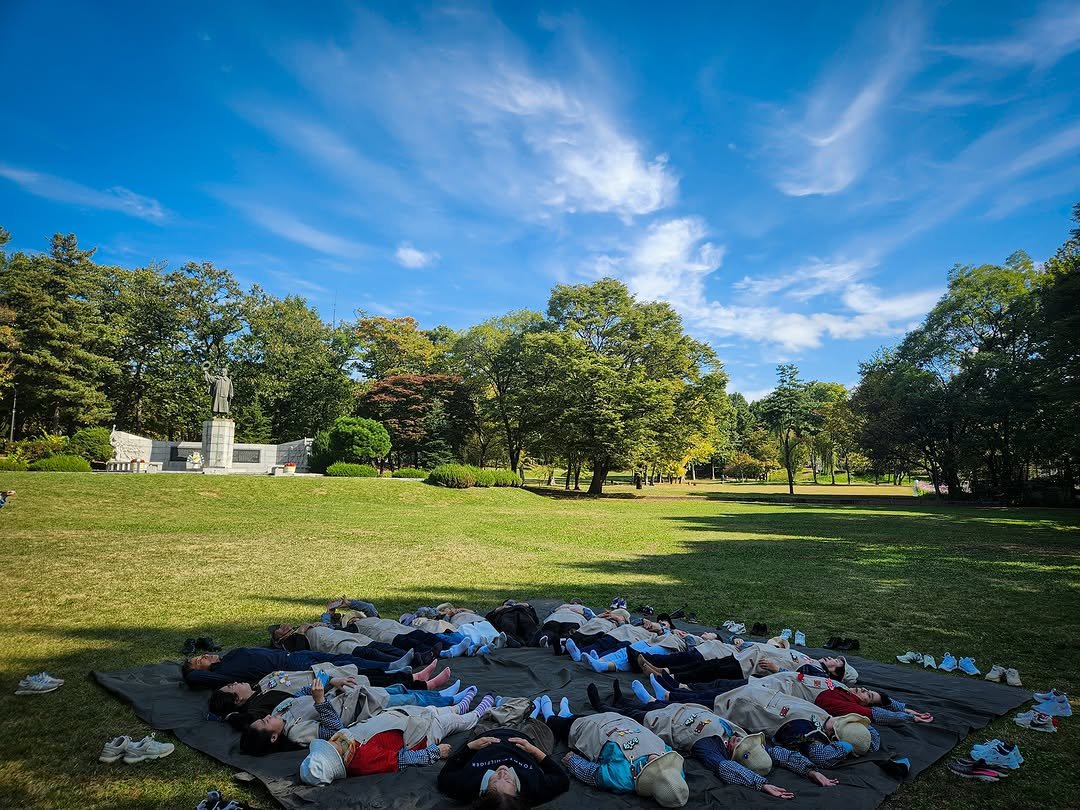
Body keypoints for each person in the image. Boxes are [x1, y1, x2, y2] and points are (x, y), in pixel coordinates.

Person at [587, 682, 837, 798]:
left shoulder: (711, 749)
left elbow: (726, 769)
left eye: (737, 747)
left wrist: (761, 785)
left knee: (634, 715)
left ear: (734, 754)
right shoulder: (740, 735)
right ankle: (634, 699)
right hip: (686, 707)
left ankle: (605, 706)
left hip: (664, 722)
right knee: (654, 704)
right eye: (740, 740)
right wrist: (811, 771)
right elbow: (782, 754)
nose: (735, 740)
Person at [238, 675, 488, 756]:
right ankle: (453, 701)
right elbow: (336, 730)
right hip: (359, 708)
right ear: (272, 738)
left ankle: (447, 697)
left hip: (347, 693)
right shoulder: (298, 734)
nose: (266, 717)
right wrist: (321, 701)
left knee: (397, 690)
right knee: (409, 700)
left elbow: (302, 692)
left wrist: (330, 681)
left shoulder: (278, 711)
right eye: (264, 723)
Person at [531, 695, 690, 807]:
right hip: (620, 722)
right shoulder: (674, 771)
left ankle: (549, 714)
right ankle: (566, 713)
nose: (655, 757)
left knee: (558, 724)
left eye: (654, 766)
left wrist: (573, 761)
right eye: (661, 760)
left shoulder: (624, 778)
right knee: (578, 717)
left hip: (591, 731)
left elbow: (593, 774)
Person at [300, 697, 495, 785]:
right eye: (331, 748)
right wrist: (436, 752)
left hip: (403, 718)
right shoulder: (362, 760)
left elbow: (336, 726)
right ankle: (477, 714)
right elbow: (402, 759)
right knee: (451, 722)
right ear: (339, 760)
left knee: (432, 710)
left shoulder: (342, 742)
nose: (332, 741)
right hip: (420, 734)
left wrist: (321, 702)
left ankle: (457, 707)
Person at [437, 696, 571, 807]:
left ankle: (510, 706)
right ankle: (534, 711)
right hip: (525, 738)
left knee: (492, 718)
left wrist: (469, 748)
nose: (502, 772)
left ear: (484, 792)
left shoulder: (466, 786)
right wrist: (535, 751)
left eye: (494, 781)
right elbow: (562, 780)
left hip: (488, 735)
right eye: (509, 781)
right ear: (518, 793)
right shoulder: (533, 789)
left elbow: (444, 777)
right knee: (534, 726)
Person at [182, 648, 442, 690]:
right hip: (291, 668)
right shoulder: (222, 674)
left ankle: (391, 665)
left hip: (293, 655)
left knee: (343, 657)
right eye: (200, 659)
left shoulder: (231, 656)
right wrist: (190, 670)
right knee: (345, 667)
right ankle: (403, 674)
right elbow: (195, 679)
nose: (206, 656)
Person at [759, 672, 934, 726]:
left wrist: (909, 717)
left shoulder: (845, 704)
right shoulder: (842, 687)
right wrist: (902, 707)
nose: (864, 689)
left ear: (864, 703)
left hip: (766, 688)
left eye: (868, 694)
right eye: (868, 690)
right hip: (775, 675)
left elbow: (877, 714)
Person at [436, 603, 507, 649]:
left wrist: (463, 609)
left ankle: (497, 641)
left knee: (485, 626)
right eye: (442, 610)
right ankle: (481, 643)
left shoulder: (461, 611)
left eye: (445, 609)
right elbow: (445, 625)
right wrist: (448, 615)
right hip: (461, 623)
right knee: (468, 630)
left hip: (477, 620)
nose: (444, 611)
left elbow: (474, 613)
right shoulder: (445, 617)